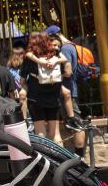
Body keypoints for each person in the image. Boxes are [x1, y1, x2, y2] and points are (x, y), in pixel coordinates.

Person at [47, 26, 88, 159]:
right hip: (70, 88)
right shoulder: (71, 46)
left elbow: (68, 71)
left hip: (67, 90)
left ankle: (79, 155)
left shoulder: (64, 49)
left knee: (75, 122)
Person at [18, 32, 68, 141]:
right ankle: (59, 158)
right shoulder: (55, 54)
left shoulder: (30, 57)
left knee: (40, 132)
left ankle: (46, 157)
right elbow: (64, 72)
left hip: (35, 96)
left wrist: (26, 86)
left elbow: (22, 80)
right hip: (53, 95)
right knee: (55, 133)